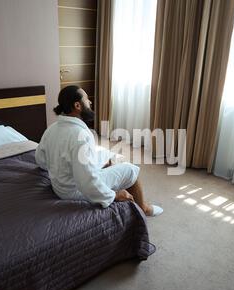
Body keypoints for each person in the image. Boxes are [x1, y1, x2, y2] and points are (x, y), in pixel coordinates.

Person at [35, 85, 163, 217]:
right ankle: (144, 208)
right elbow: (86, 182)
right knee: (130, 169)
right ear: (77, 105)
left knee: (107, 155)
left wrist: (58, 166)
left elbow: (40, 159)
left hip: (61, 185)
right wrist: (113, 195)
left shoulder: (51, 129)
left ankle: (108, 169)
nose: (90, 102)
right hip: (74, 191)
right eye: (86, 99)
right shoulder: (80, 135)